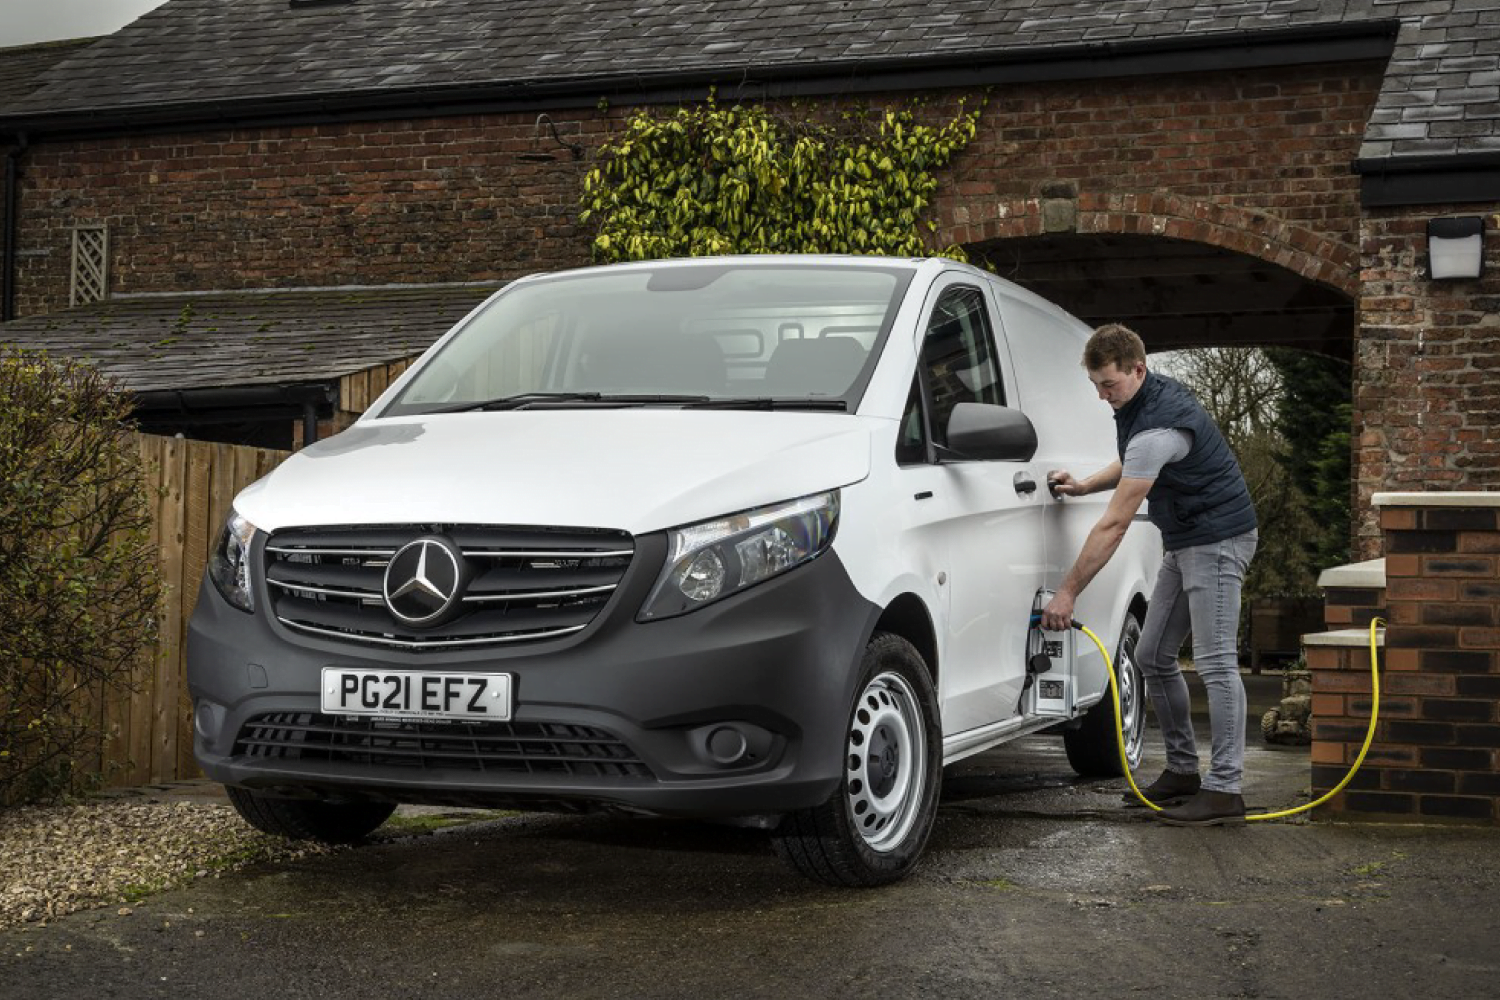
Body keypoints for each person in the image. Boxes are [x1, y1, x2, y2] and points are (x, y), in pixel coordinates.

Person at [1040, 324, 1258, 826]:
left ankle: (1225, 790)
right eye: (1095, 385)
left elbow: (1115, 524)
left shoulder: (1160, 425)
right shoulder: (1143, 404)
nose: (1101, 396)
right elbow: (1133, 461)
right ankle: (1183, 771)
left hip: (1218, 541)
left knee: (1217, 663)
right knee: (1152, 655)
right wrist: (1084, 484)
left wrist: (1067, 593)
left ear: (1138, 369)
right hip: (1186, 540)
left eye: (1109, 385)